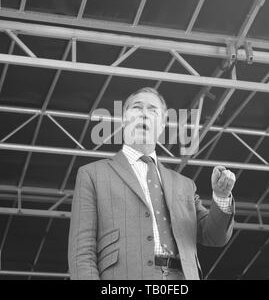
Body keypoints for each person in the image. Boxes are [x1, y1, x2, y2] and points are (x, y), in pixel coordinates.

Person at [68, 87, 235, 280]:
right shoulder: (93, 174)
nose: (144, 114)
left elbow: (214, 236)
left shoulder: (184, 185)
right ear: (124, 119)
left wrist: (221, 197)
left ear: (163, 124)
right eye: (137, 108)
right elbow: (82, 252)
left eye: (153, 110)